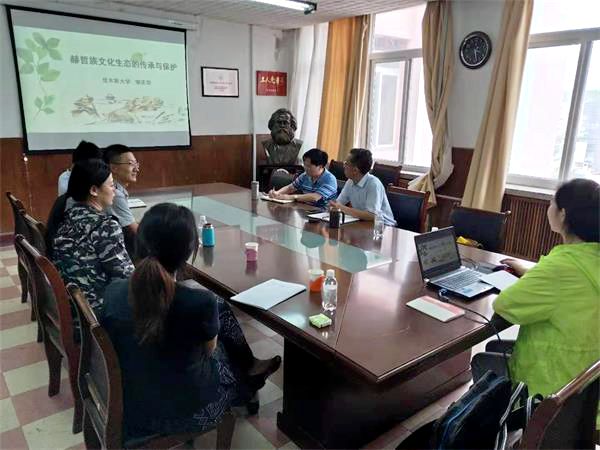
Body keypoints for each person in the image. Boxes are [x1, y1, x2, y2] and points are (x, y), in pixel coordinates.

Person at [101, 203, 281, 441]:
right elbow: (210, 351)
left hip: (132, 404)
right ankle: (246, 383)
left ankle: (249, 370)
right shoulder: (198, 302)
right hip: (191, 414)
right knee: (223, 349)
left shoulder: (113, 292)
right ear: (189, 251)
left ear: (139, 243)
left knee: (219, 309)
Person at [471, 179, 600, 406]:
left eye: (552, 202)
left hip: (549, 391)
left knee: (482, 360)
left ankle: (503, 421)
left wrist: (538, 276)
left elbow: (505, 305)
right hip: (587, 386)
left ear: (563, 214)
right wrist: (533, 272)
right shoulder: (588, 259)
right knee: (495, 347)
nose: (549, 207)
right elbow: (570, 287)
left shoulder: (560, 267)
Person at [48, 159, 134, 312]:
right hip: (99, 312)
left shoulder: (68, 215)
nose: (115, 191)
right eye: (111, 185)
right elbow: (127, 277)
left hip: (75, 309)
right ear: (94, 190)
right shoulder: (105, 226)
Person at [328, 148, 396, 226]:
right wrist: (333, 206)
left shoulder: (373, 184)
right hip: (363, 223)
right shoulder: (350, 181)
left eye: (346, 163)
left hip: (384, 226)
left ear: (355, 170)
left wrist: (341, 208)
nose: (344, 166)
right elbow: (338, 203)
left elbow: (372, 215)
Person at [268, 148, 337, 208]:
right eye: (304, 165)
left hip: (323, 213)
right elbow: (290, 188)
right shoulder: (305, 175)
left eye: (308, 166)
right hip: (306, 209)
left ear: (320, 166)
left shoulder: (330, 179)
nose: (305, 168)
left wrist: (289, 197)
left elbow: (315, 197)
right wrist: (277, 193)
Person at [103, 144, 140, 235]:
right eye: (131, 164)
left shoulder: (118, 189)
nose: (136, 169)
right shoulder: (114, 193)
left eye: (136, 163)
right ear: (113, 168)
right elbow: (136, 231)